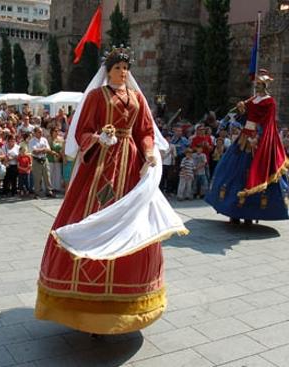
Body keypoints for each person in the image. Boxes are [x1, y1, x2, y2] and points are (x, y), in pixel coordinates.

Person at [34, 47, 187, 335]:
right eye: (119, 68)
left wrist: (149, 151)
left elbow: (144, 131)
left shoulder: (137, 97)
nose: (123, 73)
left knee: (132, 222)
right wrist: (98, 138)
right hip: (100, 166)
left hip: (129, 166)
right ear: (108, 71)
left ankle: (124, 303)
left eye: (127, 69)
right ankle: (84, 304)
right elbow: (82, 131)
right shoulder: (95, 96)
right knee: (89, 214)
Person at [205, 70, 289, 224]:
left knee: (250, 172)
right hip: (244, 136)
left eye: (259, 84)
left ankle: (250, 213)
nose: (256, 86)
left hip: (257, 139)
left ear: (264, 85)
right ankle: (233, 211)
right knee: (232, 171)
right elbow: (244, 117)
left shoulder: (269, 101)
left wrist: (257, 137)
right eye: (256, 84)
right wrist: (242, 108)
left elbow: (267, 122)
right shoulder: (254, 98)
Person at [29, 127, 56, 198]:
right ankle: (36, 193)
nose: (41, 133)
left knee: (47, 175)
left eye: (41, 132)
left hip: (44, 159)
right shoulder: (32, 141)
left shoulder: (44, 139)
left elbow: (48, 149)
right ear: (35, 133)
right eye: (39, 132)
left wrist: (42, 150)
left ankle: (49, 191)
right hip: (36, 160)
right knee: (37, 177)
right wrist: (43, 149)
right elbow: (35, 151)